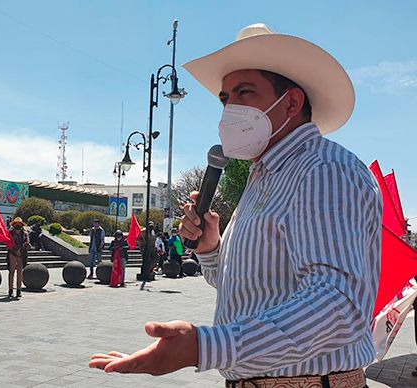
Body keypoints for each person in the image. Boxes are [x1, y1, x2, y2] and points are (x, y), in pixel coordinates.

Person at [90, 23, 381, 388]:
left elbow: (338, 307)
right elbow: (248, 290)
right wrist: (212, 250)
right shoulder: (265, 176)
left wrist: (204, 346)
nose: (230, 109)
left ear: (291, 102)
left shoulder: (323, 169)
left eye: (245, 93)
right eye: (226, 99)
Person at [7, 217, 29, 298]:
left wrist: (21, 249)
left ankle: (18, 290)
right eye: (16, 223)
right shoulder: (10, 233)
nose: (18, 225)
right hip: (12, 254)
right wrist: (15, 250)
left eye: (19, 224)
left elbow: (27, 242)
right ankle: (10, 290)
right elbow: (8, 243)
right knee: (11, 272)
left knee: (20, 273)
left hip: (21, 255)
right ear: (13, 224)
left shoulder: (25, 233)